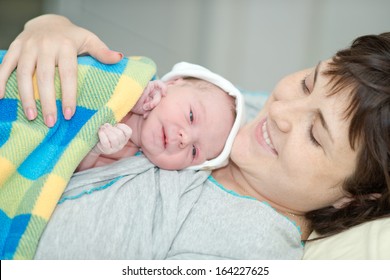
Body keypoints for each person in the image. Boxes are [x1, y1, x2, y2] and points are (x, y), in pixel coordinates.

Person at [1, 14, 390, 259]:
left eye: (316, 136)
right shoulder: (248, 113)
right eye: (307, 83)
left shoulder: (246, 253)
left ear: (354, 196)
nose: (281, 112)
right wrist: (53, 29)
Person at [77, 62, 244, 171]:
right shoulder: (134, 77)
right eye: (191, 116)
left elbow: (73, 168)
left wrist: (94, 150)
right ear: (172, 83)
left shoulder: (125, 161)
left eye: (194, 151)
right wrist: (130, 94)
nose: (184, 139)